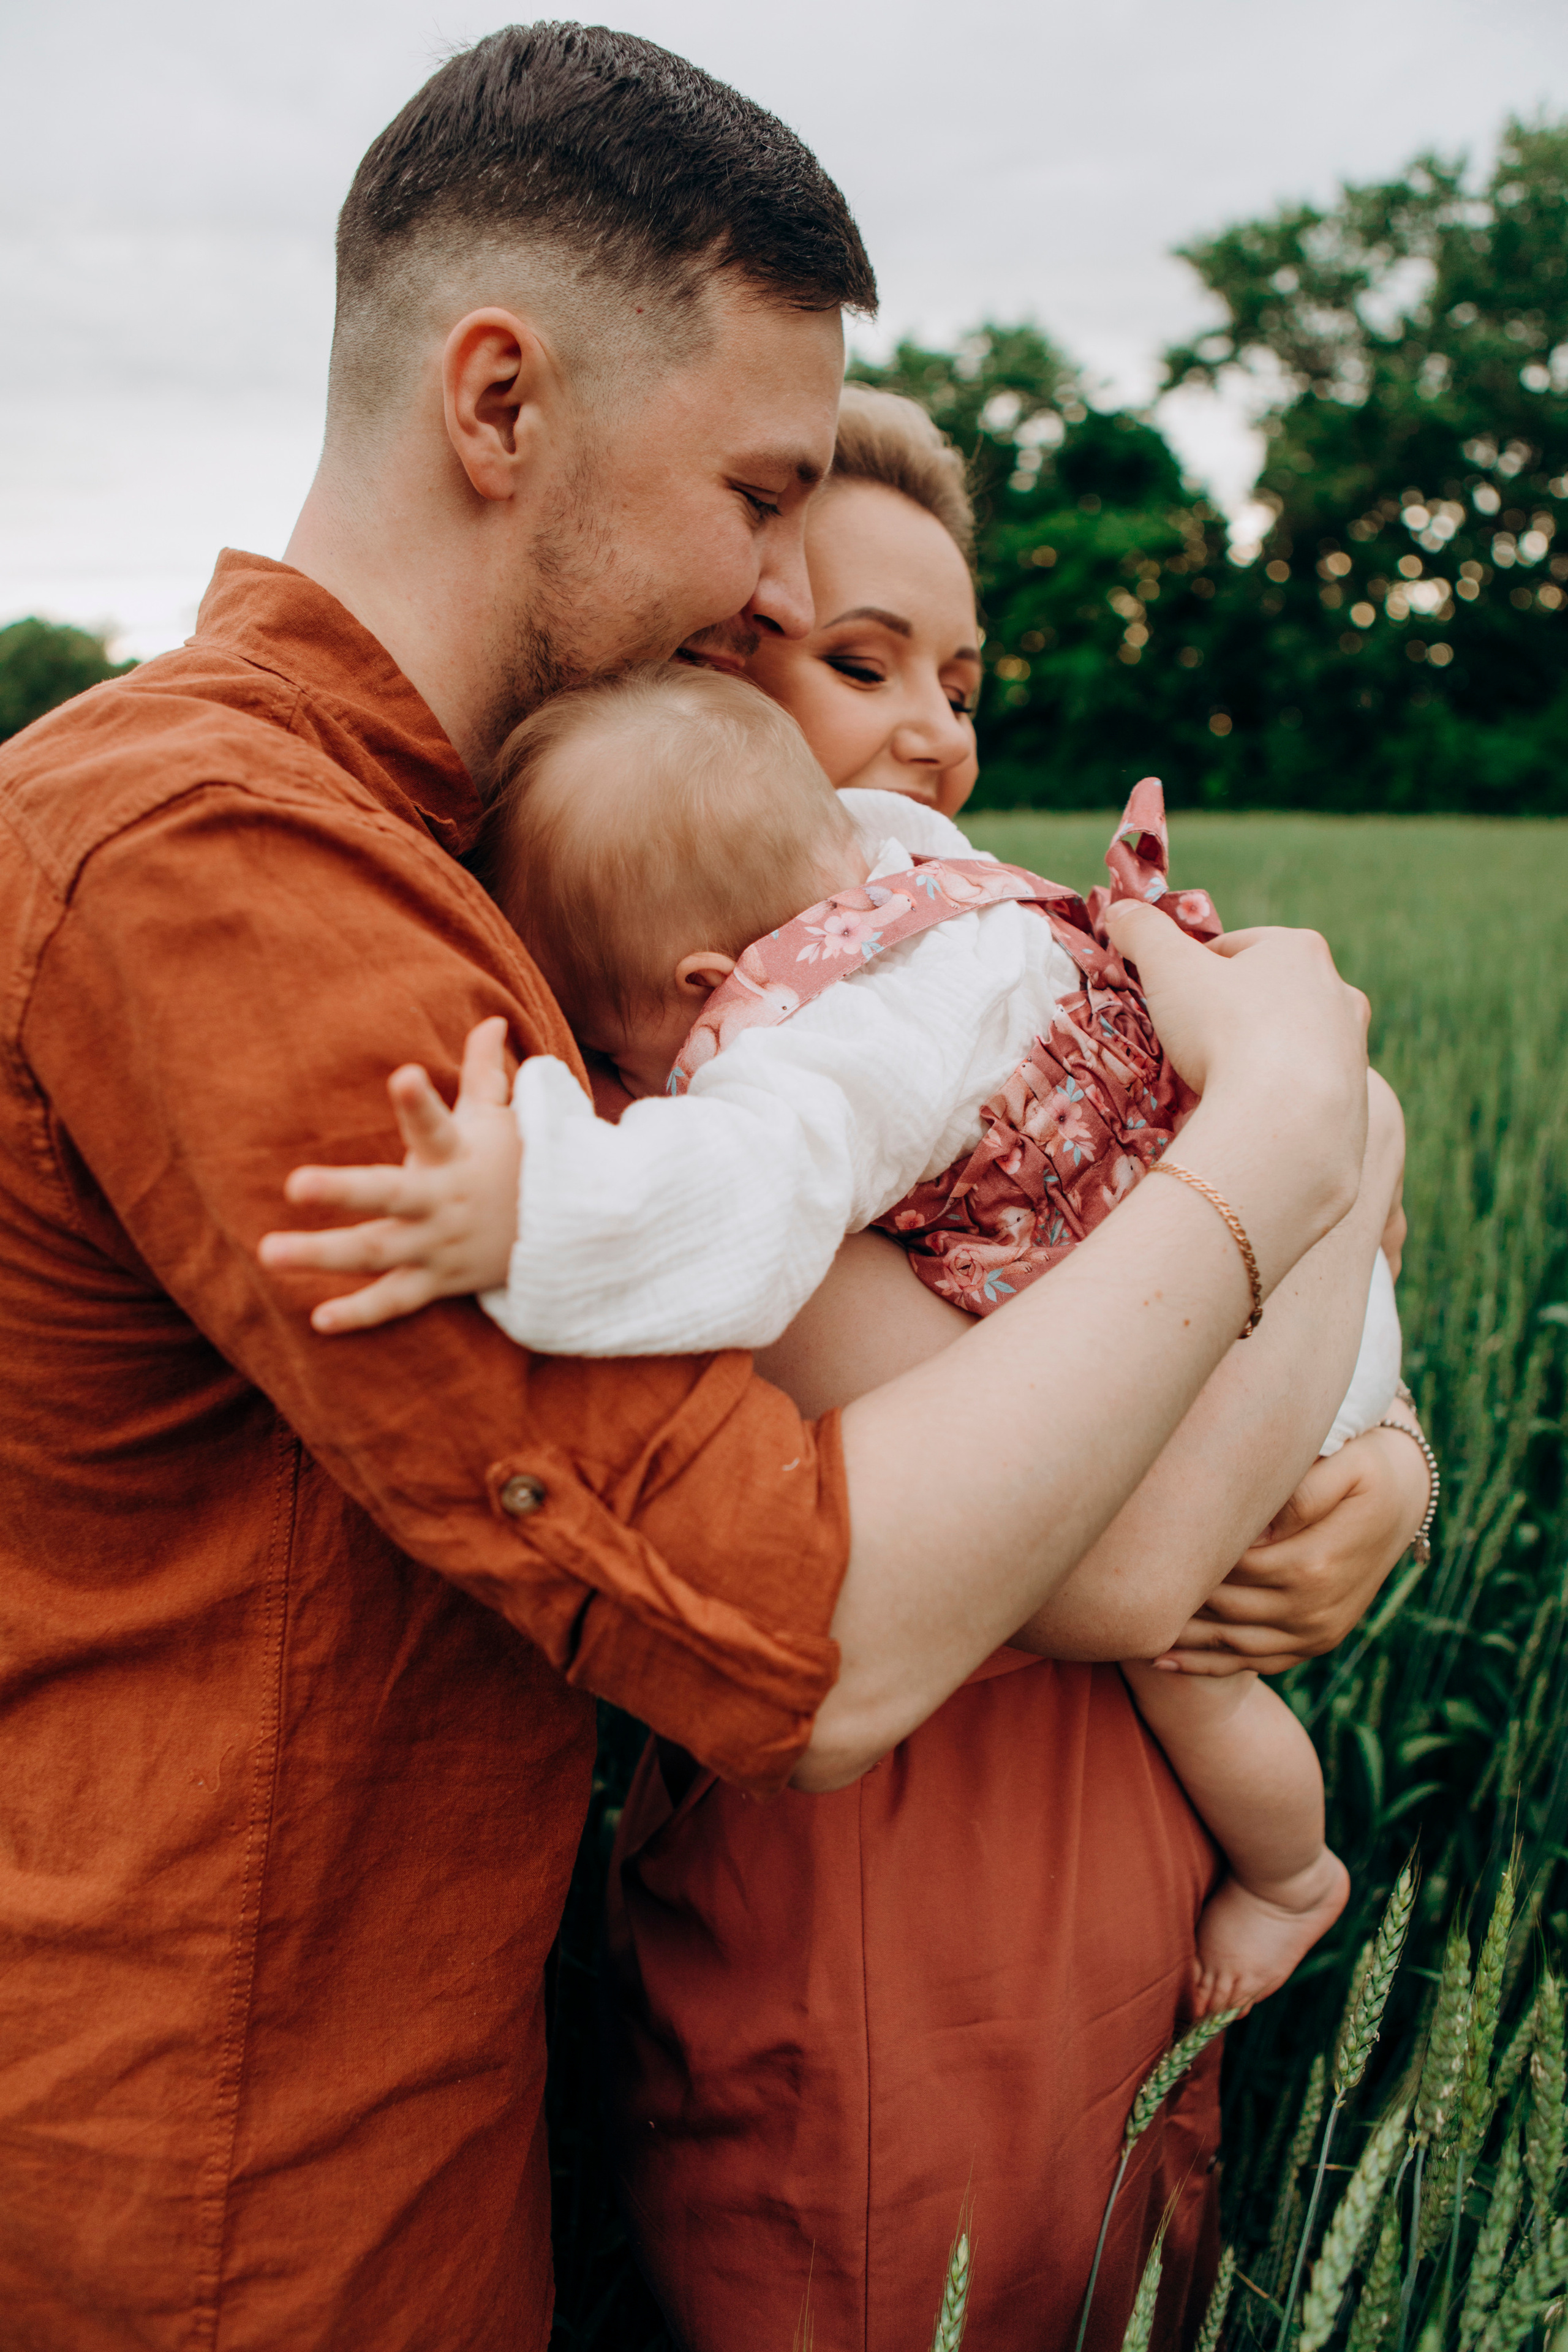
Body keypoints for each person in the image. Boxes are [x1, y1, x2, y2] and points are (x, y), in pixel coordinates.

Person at [0, 36, 1421, 2352]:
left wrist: (1383, 1438)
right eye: (757, 494)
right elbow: (804, 1625)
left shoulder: (503, 857)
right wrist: (1288, 1140)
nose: (775, 576)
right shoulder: (228, 867)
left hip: (431, 2114)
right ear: (499, 407)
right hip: (239, 2206)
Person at [262, 433, 1425, 2348]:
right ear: (702, 680)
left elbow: (1267, 1243)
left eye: (962, 681)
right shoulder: (696, 1114)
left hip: (1140, 1854)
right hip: (902, 1910)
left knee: (1127, 2269)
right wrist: (1335, 1132)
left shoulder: (946, 973)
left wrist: (1393, 1456)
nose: (938, 739)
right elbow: (1130, 1560)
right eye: (861, 664)